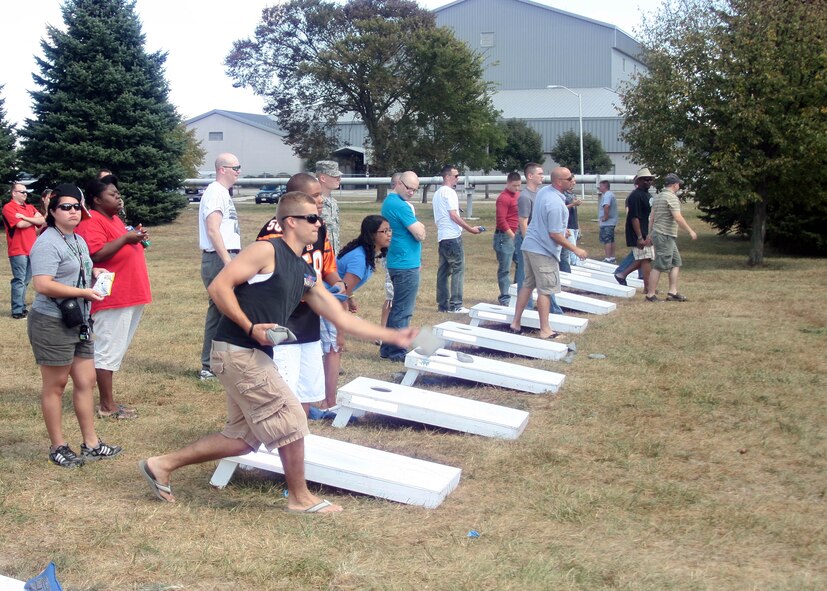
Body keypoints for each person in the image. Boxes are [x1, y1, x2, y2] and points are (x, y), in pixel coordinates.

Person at [137, 191, 416, 512]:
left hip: (251, 355)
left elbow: (338, 316)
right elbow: (219, 287)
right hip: (237, 351)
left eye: (319, 218)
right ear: (291, 222)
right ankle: (300, 498)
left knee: (243, 438)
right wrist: (249, 326)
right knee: (292, 417)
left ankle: (161, 465)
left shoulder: (302, 269)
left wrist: (393, 333)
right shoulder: (265, 250)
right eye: (312, 218)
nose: (318, 224)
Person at [28, 184, 122, 468]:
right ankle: (58, 446)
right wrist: (83, 293)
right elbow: (43, 284)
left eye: (76, 207)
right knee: (55, 386)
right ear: (52, 211)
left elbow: (77, 269)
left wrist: (94, 271)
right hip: (52, 320)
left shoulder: (77, 240)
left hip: (78, 320)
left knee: (86, 382)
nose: (72, 212)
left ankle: (91, 444)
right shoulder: (47, 242)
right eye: (65, 207)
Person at [256, 173, 344, 417]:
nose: (321, 199)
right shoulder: (274, 230)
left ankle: (300, 437)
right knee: (285, 389)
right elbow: (276, 274)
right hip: (285, 316)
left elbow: (327, 266)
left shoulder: (319, 227)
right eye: (315, 195)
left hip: (310, 317)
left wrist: (337, 283)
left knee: (306, 390)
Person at [76, 175, 151, 420]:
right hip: (113, 296)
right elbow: (95, 254)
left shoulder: (115, 219)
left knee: (116, 349)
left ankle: (109, 401)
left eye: (118, 193)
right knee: (108, 349)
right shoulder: (92, 222)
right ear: (97, 199)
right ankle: (106, 406)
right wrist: (126, 239)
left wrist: (135, 236)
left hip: (130, 293)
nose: (118, 197)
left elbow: (121, 246)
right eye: (112, 194)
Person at [319, 215, 392, 407]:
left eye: (390, 230)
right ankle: (329, 402)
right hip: (325, 304)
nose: (389, 235)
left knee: (328, 352)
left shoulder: (364, 254)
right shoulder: (360, 258)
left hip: (328, 301)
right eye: (384, 231)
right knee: (334, 350)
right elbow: (339, 295)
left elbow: (343, 286)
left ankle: (324, 400)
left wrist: (350, 298)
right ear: (371, 235)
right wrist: (341, 334)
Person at [510, 168, 587, 339]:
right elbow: (554, 234)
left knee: (528, 284)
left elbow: (548, 222)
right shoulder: (556, 204)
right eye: (569, 178)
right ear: (559, 182)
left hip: (530, 246)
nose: (572, 181)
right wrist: (576, 249)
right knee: (545, 290)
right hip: (543, 251)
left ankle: (515, 322)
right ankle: (545, 330)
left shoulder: (545, 192)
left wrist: (561, 229)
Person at [198, 153, 241, 380]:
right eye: (235, 167)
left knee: (220, 311)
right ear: (222, 169)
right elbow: (213, 228)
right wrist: (227, 261)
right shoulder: (215, 192)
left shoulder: (222, 192)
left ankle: (213, 364)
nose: (239, 171)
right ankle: (212, 365)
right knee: (226, 310)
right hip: (219, 258)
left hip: (224, 256)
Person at [380, 171, 426, 362]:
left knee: (398, 307)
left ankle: (388, 348)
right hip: (405, 264)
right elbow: (420, 234)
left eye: (415, 190)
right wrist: (421, 226)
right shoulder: (401, 206)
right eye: (409, 188)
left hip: (401, 261)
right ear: (399, 183)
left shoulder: (390, 202)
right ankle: (397, 351)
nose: (412, 193)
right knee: (403, 310)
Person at [432, 164, 482, 313]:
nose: (458, 178)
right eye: (456, 176)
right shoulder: (450, 192)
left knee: (443, 271)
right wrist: (471, 229)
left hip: (442, 237)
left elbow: (447, 212)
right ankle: (456, 305)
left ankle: (442, 305)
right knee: (458, 270)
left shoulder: (437, 193)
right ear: (447, 177)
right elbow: (453, 216)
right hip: (453, 237)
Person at [646, 173, 697, 302]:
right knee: (659, 265)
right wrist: (690, 231)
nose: (679, 186)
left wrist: (649, 233)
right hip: (664, 234)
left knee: (676, 262)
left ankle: (672, 292)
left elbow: (652, 217)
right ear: (674, 185)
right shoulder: (671, 197)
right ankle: (650, 295)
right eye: (678, 184)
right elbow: (678, 217)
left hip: (661, 234)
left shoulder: (657, 197)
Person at [4, 182, 45, 318]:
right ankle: (17, 310)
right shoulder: (8, 207)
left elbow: (42, 220)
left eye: (26, 192)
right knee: (19, 280)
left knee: (26, 281)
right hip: (18, 249)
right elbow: (20, 224)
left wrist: (27, 218)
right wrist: (34, 220)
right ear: (14, 193)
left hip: (31, 249)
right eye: (22, 192)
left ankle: (21, 307)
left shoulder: (30, 207)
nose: (25, 194)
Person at [615, 168, 655, 293]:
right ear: (639, 181)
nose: (648, 182)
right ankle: (648, 289)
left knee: (645, 258)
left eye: (650, 179)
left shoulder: (647, 195)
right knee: (646, 259)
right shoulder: (635, 196)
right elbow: (634, 218)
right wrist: (639, 237)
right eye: (645, 179)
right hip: (639, 232)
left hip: (647, 231)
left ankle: (622, 274)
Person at [493, 172, 522, 305]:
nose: (517, 188)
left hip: (515, 234)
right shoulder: (503, 198)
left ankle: (517, 292)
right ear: (508, 183)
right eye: (514, 186)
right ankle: (505, 296)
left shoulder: (518, 195)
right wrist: (512, 236)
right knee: (505, 268)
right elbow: (501, 220)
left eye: (519, 186)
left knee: (521, 263)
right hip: (504, 236)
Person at [316, 160, 342, 255]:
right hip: (319, 255)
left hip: (333, 257)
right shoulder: (314, 202)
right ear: (323, 178)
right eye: (335, 176)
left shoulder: (333, 203)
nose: (339, 179)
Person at [559, 183, 583, 272]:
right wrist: (573, 204)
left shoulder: (573, 194)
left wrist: (578, 226)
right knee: (571, 250)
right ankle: (570, 269)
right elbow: (561, 209)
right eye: (572, 181)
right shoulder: (562, 195)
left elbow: (575, 212)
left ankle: (572, 268)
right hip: (567, 226)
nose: (573, 183)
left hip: (574, 224)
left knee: (572, 248)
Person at [598, 180, 618, 263]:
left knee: (607, 240)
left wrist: (605, 217)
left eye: (600, 186)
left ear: (604, 186)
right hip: (612, 222)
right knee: (611, 240)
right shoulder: (610, 194)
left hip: (607, 223)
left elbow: (606, 206)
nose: (599, 188)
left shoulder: (607, 195)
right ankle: (612, 257)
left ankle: (608, 258)